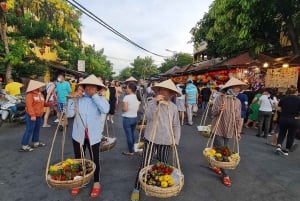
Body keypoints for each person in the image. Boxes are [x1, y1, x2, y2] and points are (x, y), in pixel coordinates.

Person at [130, 79, 181, 201]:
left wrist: (176, 139)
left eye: (168, 91)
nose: (164, 93)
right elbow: (147, 116)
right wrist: (155, 103)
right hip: (150, 138)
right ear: (158, 91)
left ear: (171, 94)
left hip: (166, 140)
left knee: (162, 165)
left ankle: (159, 188)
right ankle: (136, 188)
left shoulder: (173, 107)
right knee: (144, 164)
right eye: (162, 90)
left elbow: (176, 125)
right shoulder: (151, 102)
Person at [70, 74, 110, 198]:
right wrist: (73, 99)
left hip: (93, 136)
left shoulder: (100, 99)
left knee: (95, 160)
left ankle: (96, 183)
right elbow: (69, 114)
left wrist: (95, 96)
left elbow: (105, 109)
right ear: (84, 87)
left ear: (97, 88)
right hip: (78, 135)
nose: (90, 89)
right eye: (88, 87)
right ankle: (79, 180)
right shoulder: (78, 98)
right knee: (79, 159)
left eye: (93, 87)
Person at [209, 77, 244, 187]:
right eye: (235, 87)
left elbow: (238, 118)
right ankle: (225, 175)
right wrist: (219, 109)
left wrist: (238, 131)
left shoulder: (237, 101)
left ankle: (214, 164)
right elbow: (213, 113)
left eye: (239, 88)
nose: (237, 89)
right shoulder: (220, 98)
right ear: (230, 87)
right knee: (223, 152)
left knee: (219, 150)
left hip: (229, 131)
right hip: (219, 128)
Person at [20, 80, 50, 152]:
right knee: (29, 130)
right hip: (31, 116)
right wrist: (32, 115)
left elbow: (43, 103)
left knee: (37, 129)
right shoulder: (29, 95)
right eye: (41, 86)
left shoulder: (40, 94)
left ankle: (35, 143)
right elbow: (29, 106)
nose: (42, 88)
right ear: (36, 87)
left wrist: (51, 104)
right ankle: (24, 146)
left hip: (39, 115)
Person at [275, 86, 300, 156]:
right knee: (291, 135)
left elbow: (279, 108)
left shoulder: (284, 98)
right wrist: (298, 116)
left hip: (284, 118)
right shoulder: (299, 99)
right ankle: (286, 150)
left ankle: (279, 147)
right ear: (296, 92)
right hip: (294, 119)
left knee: (282, 132)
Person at [122, 82, 140, 156]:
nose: (126, 89)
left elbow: (125, 109)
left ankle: (130, 151)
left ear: (130, 89)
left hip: (127, 118)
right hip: (134, 118)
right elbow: (137, 109)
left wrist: (122, 109)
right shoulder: (137, 97)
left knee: (129, 135)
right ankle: (133, 148)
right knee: (132, 134)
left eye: (127, 87)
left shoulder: (127, 97)